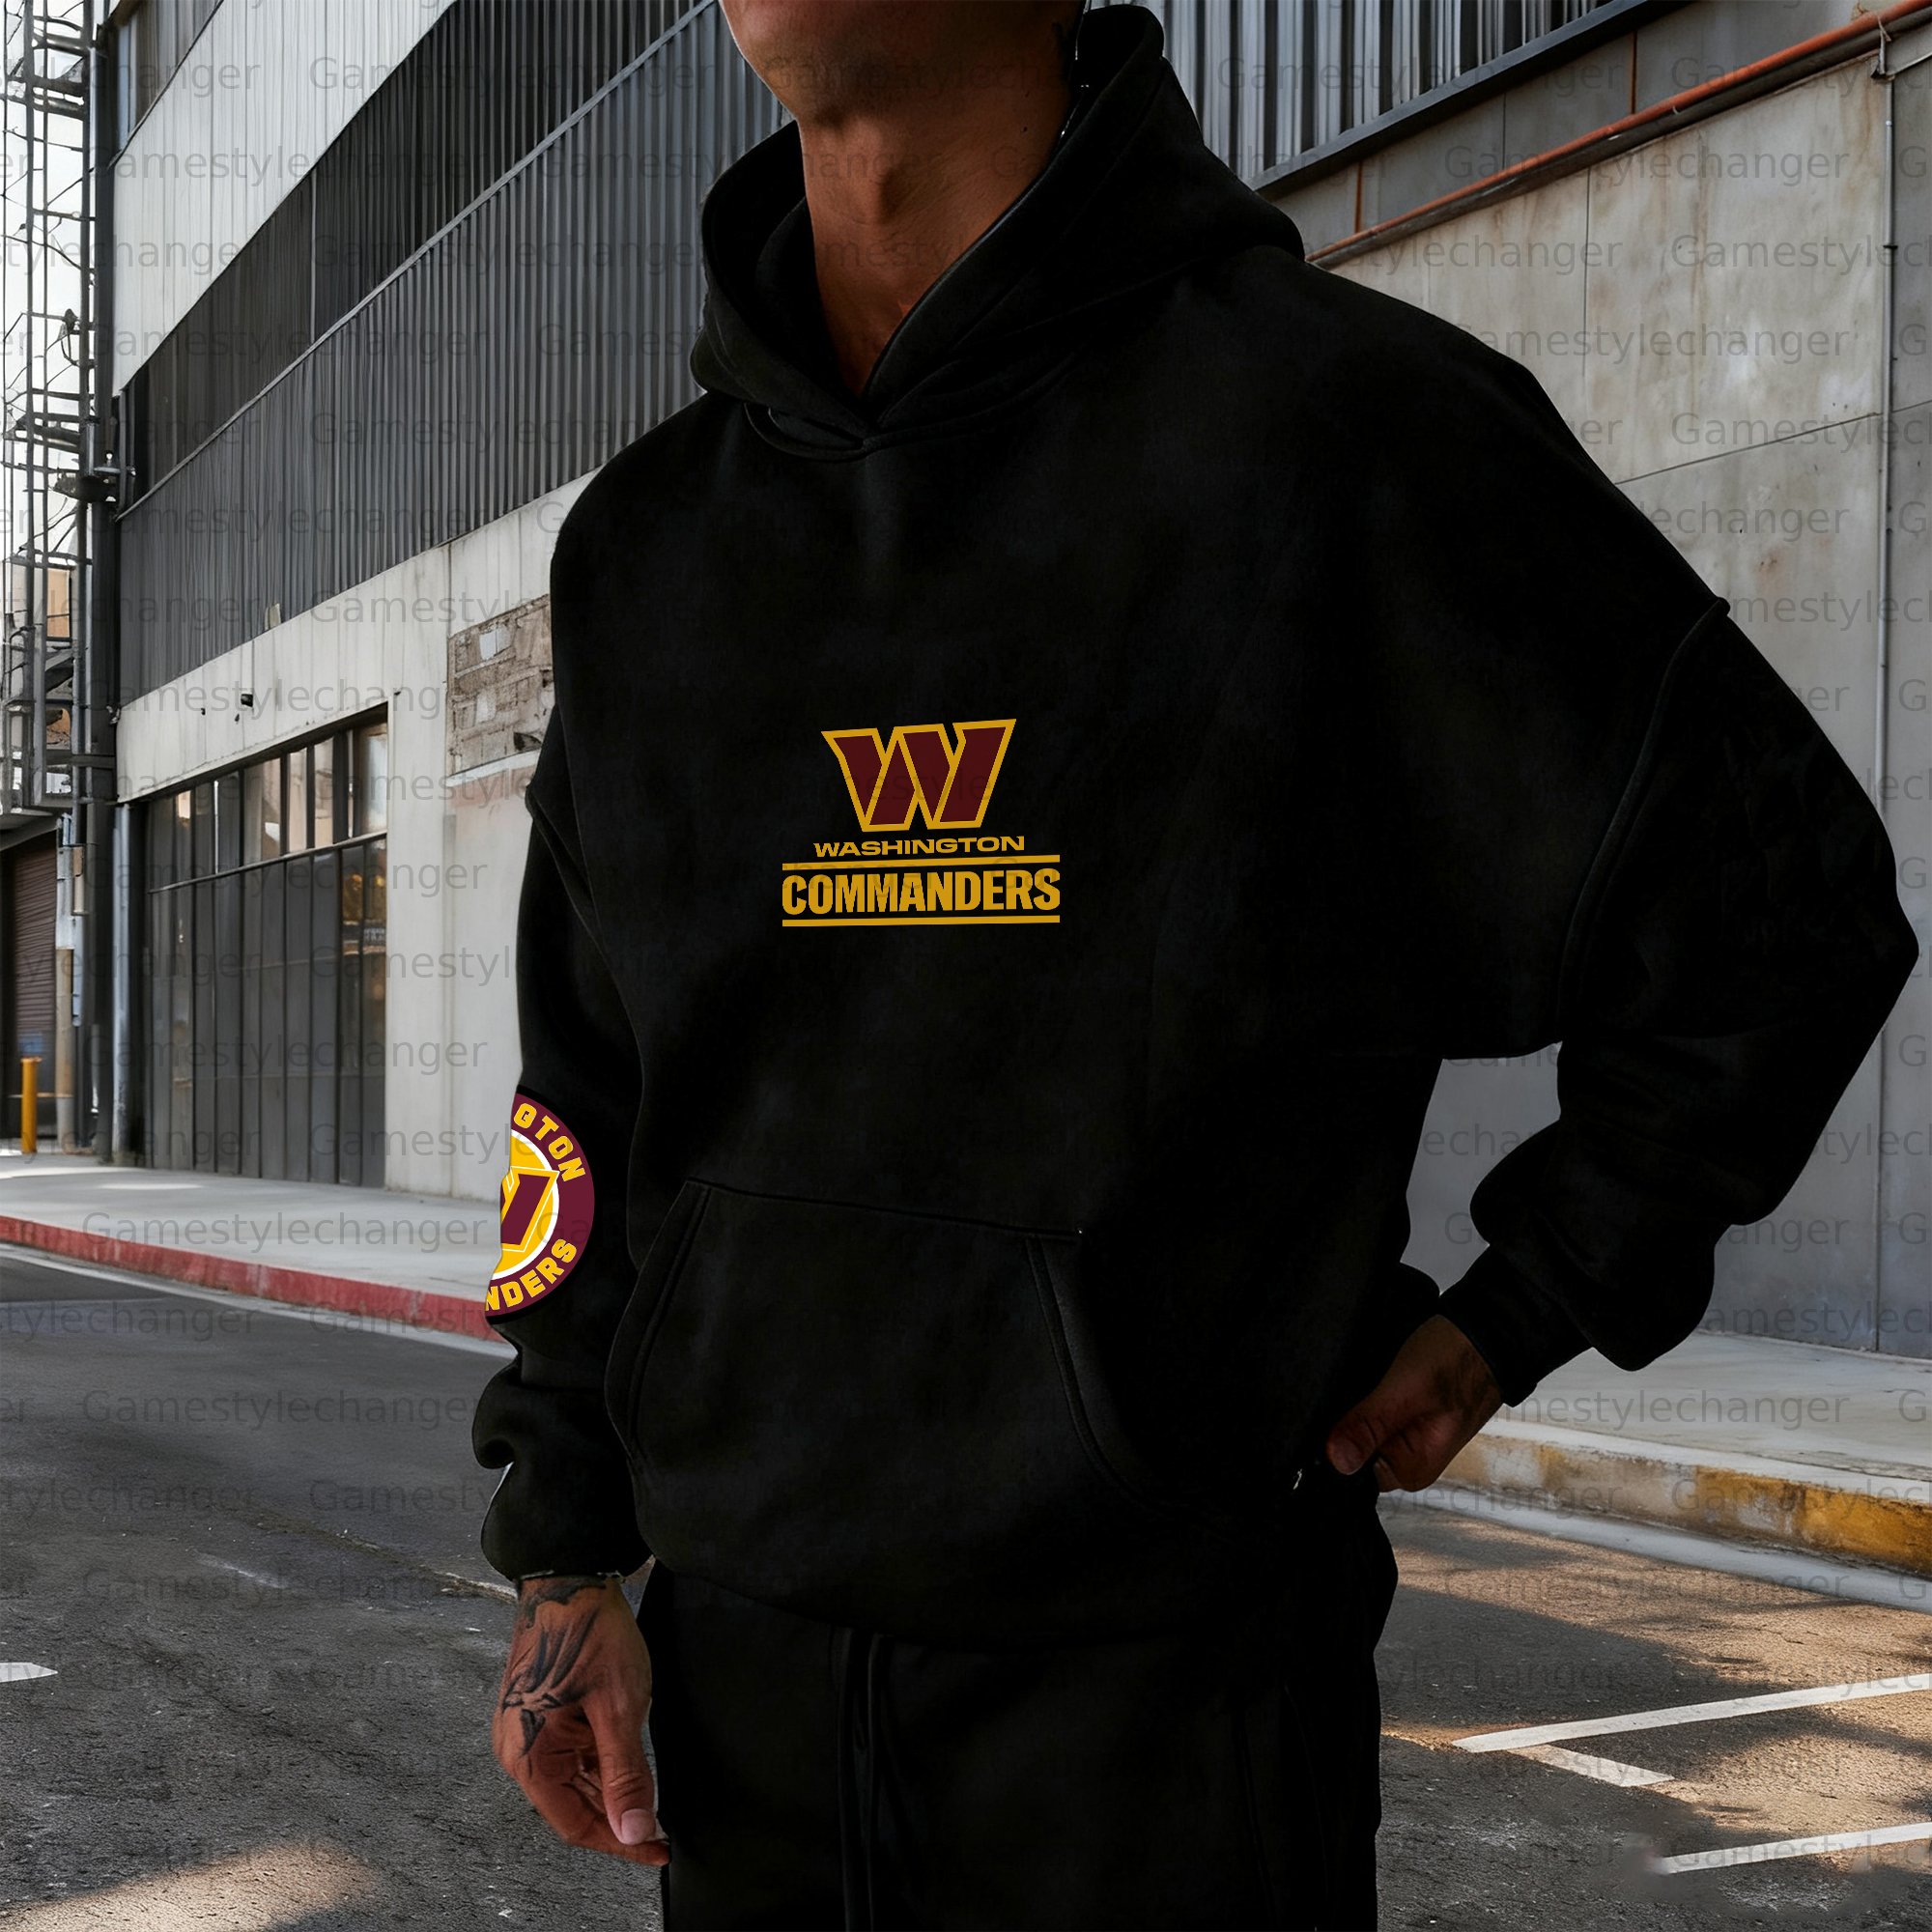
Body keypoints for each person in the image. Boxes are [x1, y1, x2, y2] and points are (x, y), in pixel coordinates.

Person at [471, 3, 1918, 1926]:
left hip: (1173, 1746)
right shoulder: (648, 551)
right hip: (742, 1743)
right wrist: (566, 1554)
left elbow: (1779, 916)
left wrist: (1532, 1294)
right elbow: (587, 1090)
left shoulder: (1337, 436)